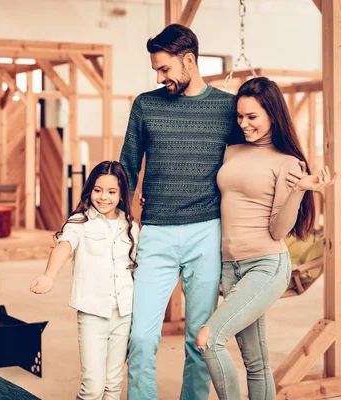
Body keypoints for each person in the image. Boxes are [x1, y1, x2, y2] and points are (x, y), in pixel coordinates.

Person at [195, 76, 337, 399]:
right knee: (256, 362)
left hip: (265, 264)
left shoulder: (287, 164)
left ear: (272, 114)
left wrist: (299, 191)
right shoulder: (232, 151)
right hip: (230, 266)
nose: (244, 124)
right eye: (240, 116)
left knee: (209, 338)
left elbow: (277, 231)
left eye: (252, 117)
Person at [119, 24, 240, 400]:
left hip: (207, 231)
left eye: (164, 69)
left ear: (189, 60)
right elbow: (126, 168)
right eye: (157, 70)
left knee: (198, 339)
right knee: (140, 336)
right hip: (156, 231)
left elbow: (246, 164)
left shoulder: (226, 107)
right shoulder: (145, 105)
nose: (160, 77)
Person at [30, 161, 139, 400]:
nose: (103, 197)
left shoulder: (130, 227)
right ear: (89, 189)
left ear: (121, 194)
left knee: (113, 385)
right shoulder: (79, 222)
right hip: (92, 313)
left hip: (124, 313)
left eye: (112, 192)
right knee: (92, 387)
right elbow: (64, 246)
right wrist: (49, 275)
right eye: (98, 190)